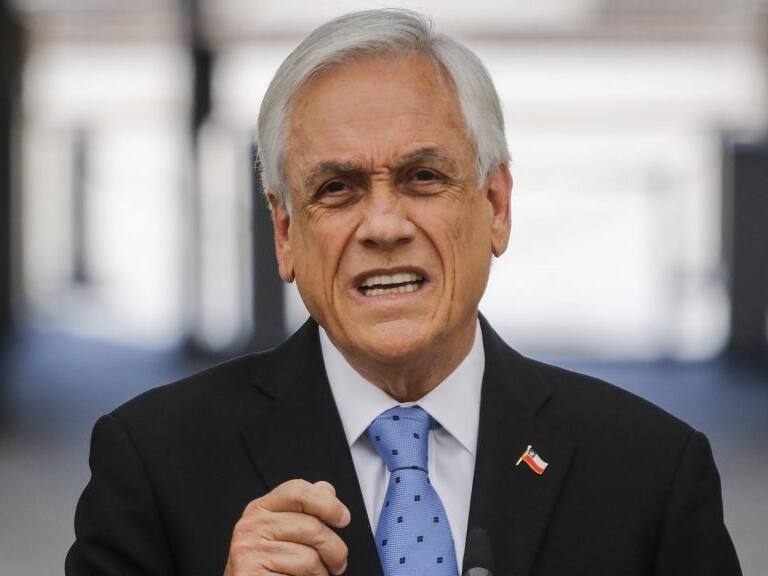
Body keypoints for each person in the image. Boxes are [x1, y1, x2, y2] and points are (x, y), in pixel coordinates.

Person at [66, 9, 741, 576]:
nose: (384, 226)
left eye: (423, 178)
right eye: (337, 189)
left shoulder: (649, 469)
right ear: (284, 234)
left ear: (497, 205)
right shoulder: (153, 462)